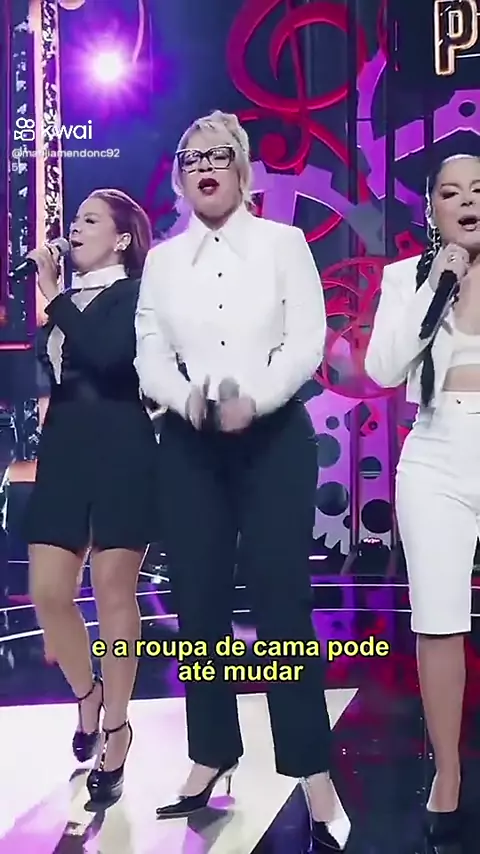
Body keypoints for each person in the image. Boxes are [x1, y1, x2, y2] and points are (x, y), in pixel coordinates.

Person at [134, 109, 350, 850]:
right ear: (179, 175)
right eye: (191, 157)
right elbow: (149, 351)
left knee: (282, 606)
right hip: (189, 444)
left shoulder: (284, 244)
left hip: (274, 440)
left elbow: (308, 339)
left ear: (242, 167)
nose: (205, 166)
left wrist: (253, 399)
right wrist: (185, 399)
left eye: (218, 154)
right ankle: (211, 750)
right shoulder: (164, 261)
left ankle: (312, 768)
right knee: (197, 605)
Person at [24, 188, 158, 805]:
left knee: (112, 594)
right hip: (64, 454)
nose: (73, 228)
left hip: (122, 451)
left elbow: (109, 356)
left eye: (88, 220)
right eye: (74, 218)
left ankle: (118, 728)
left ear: (122, 238)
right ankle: (88, 694)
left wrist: (54, 295)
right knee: (48, 592)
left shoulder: (136, 294)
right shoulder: (65, 302)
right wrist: (56, 301)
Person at [365, 153, 480, 847]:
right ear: (433, 210)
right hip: (436, 452)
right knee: (438, 620)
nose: (467, 201)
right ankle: (448, 772)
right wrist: (436, 282)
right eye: (452, 192)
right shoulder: (408, 279)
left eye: (479, 190)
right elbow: (383, 367)